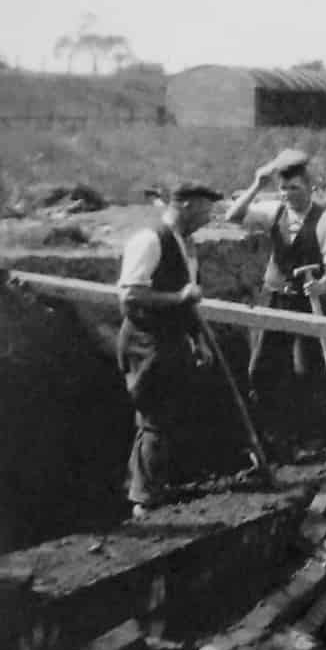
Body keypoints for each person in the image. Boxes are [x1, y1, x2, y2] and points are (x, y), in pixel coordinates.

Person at [117, 182, 232, 517]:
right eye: (204, 209)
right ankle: (143, 500)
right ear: (184, 205)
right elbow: (131, 296)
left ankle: (155, 485)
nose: (209, 217)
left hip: (172, 339)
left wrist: (198, 341)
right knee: (155, 418)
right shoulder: (150, 240)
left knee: (172, 415)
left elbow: (190, 303)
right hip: (146, 341)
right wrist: (177, 299)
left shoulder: (187, 245)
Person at [228, 148, 326, 455]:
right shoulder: (274, 211)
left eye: (294, 188)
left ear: (310, 188)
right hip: (273, 298)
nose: (287, 194)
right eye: (283, 189)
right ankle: (271, 436)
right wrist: (257, 185)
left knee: (306, 370)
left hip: (306, 301)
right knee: (261, 369)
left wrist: (322, 284)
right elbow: (234, 216)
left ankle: (310, 437)